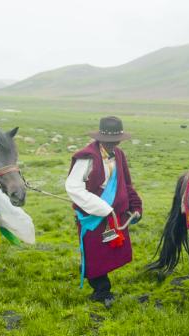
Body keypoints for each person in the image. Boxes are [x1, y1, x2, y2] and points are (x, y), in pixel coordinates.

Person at [65, 116, 142, 307]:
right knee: (94, 251)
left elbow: (126, 184)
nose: (112, 144)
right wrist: (102, 208)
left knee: (108, 250)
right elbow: (74, 188)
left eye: (116, 140)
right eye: (109, 141)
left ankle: (101, 285)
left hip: (115, 215)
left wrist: (136, 206)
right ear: (100, 138)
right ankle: (101, 291)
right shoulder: (87, 157)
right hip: (93, 214)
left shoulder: (119, 155)